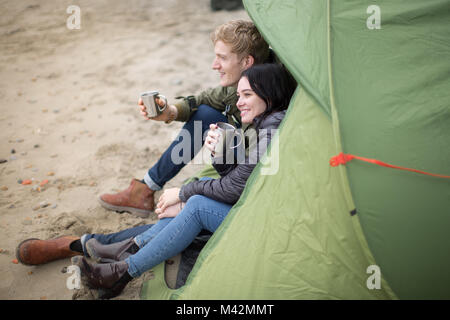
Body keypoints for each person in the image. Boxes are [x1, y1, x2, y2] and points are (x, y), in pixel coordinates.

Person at [15, 20, 273, 266]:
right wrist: (169, 111)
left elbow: (237, 185)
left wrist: (185, 193)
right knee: (205, 115)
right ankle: (144, 191)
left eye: (222, 58)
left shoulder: (274, 115)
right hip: (233, 179)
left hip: (245, 195)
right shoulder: (248, 83)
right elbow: (207, 98)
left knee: (185, 214)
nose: (214, 65)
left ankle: (81, 245)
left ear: (247, 62)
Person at [75, 63, 297, 299]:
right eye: (239, 94)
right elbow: (241, 182)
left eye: (247, 95)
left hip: (266, 225)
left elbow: (233, 189)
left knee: (196, 204)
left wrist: (183, 193)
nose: (239, 101)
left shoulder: (271, 131)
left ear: (270, 95)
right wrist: (221, 156)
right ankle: (124, 254)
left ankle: (123, 271)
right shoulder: (264, 123)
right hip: (255, 210)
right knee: (190, 202)